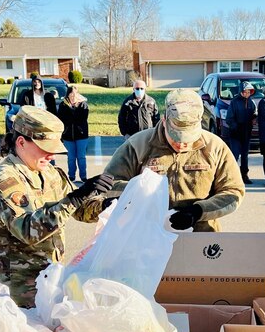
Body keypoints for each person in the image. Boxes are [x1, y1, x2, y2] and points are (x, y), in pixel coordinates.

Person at [0, 106, 111, 308]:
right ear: (21, 142)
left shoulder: (50, 173)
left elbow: (81, 210)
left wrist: (107, 204)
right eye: (46, 148)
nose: (51, 155)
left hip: (50, 280)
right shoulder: (4, 179)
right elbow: (28, 230)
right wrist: (75, 198)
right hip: (18, 292)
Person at [99, 89, 244, 232]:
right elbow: (108, 185)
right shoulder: (138, 145)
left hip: (201, 237)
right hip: (147, 237)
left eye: (188, 138)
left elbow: (233, 191)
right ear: (164, 120)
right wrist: (140, 191)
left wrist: (198, 211)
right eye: (175, 136)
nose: (181, 144)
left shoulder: (215, 147)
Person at [225, 81, 257, 185]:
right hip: (235, 133)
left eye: (249, 92)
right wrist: (236, 127)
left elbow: (254, 113)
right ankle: (232, 176)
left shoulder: (251, 102)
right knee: (235, 155)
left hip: (246, 133)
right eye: (245, 91)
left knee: (245, 155)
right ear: (241, 92)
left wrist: (254, 118)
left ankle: (244, 175)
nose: (247, 94)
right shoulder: (234, 102)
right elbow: (229, 118)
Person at [58, 84, 90, 182]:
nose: (73, 96)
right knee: (71, 157)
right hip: (68, 135)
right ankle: (71, 176)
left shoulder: (83, 104)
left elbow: (82, 118)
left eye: (75, 94)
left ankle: (83, 176)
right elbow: (61, 118)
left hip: (81, 135)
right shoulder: (63, 105)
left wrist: (75, 108)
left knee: (81, 157)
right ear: (68, 94)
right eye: (71, 93)